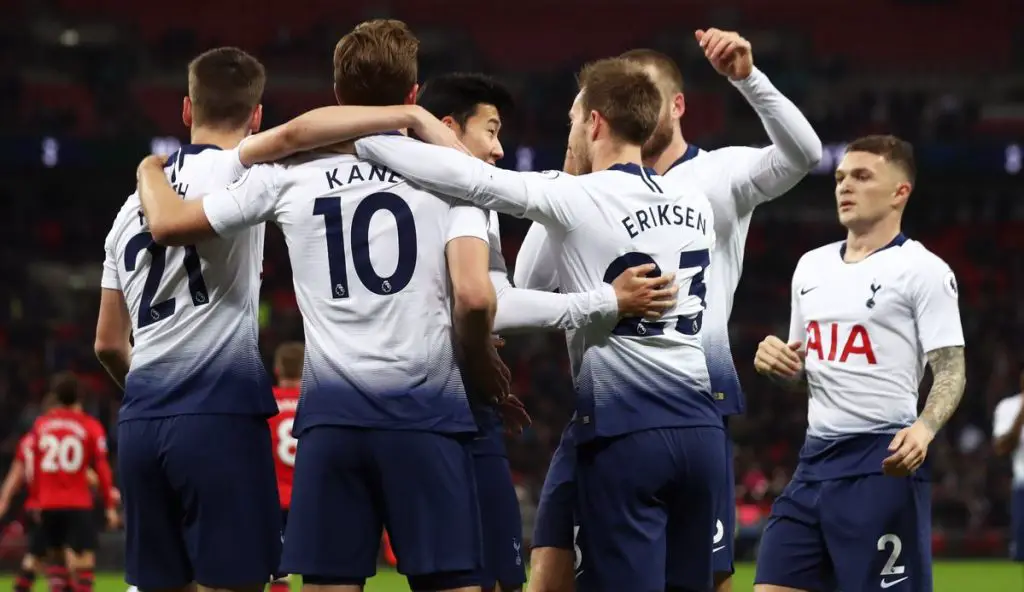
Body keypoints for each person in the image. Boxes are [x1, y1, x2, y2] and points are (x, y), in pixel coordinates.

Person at [134, 19, 509, 592]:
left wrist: (147, 171)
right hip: (427, 417)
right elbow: (475, 296)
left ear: (337, 95)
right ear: (413, 95)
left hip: (333, 425)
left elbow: (173, 225)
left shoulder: (288, 178)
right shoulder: (455, 179)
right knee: (451, 582)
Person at [354, 57, 725, 592]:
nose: (569, 130)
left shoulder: (572, 195)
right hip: (702, 431)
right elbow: (526, 280)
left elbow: (463, 177)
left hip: (629, 431)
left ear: (595, 123)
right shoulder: (696, 202)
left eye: (575, 118)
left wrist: (373, 128)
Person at [522, 29, 823, 592]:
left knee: (702, 578)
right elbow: (530, 281)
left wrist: (747, 80)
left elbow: (804, 154)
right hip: (606, 409)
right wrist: (572, 165)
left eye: (647, 92)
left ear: (677, 104)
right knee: (549, 571)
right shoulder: (590, 190)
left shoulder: (719, 175)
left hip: (691, 401)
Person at [415, 72, 678, 592]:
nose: (497, 148)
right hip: (450, 406)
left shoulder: (447, 201)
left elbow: (509, 292)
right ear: (447, 128)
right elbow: (488, 304)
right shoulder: (468, 202)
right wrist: (604, 301)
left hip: (436, 400)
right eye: (490, 131)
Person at [93, 47, 284, 592]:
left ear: (185, 109)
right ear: (257, 117)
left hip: (141, 423)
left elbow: (108, 342)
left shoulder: (129, 209)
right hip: (219, 415)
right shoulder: (245, 171)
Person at [752, 135, 967, 592]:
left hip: (881, 462)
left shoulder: (923, 270)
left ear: (899, 192)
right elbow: (803, 373)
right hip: (812, 464)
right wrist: (781, 367)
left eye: (862, 176)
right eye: (840, 177)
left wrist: (924, 429)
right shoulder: (810, 266)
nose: (844, 186)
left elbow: (950, 368)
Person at [27, 373, 118, 592]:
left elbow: (35, 468)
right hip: (77, 504)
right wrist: (110, 505)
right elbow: (102, 469)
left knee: (57, 563)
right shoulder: (89, 426)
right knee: (84, 564)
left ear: (55, 397)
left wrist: (36, 499)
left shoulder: (41, 425)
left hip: (48, 504)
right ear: (80, 397)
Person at [269, 342, 304, 592]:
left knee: (279, 573)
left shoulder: (265, 404)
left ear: (277, 369)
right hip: (310, 500)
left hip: (273, 499)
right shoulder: (317, 401)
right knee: (325, 575)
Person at [992, 368, 1024, 561]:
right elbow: (1001, 448)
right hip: (1022, 485)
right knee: (1021, 554)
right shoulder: (1008, 407)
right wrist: (1021, 414)